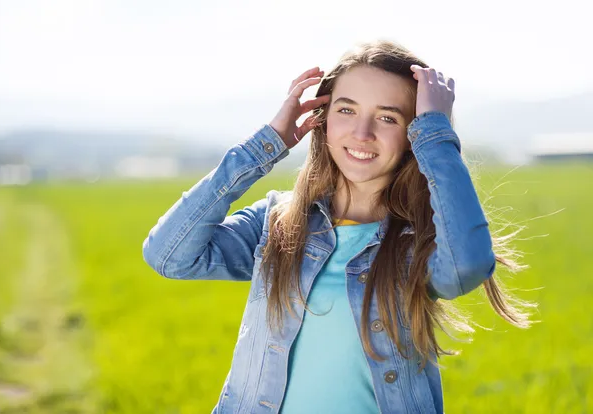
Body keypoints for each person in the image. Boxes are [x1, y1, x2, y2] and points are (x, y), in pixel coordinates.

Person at [142, 39, 533, 414]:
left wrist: (436, 133)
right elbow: (169, 256)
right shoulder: (279, 222)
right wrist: (268, 143)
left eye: (387, 117)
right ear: (322, 120)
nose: (362, 134)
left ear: (414, 133)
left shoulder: (419, 242)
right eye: (346, 110)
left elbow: (467, 266)